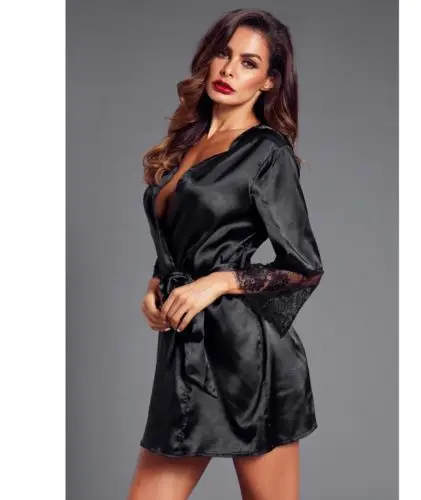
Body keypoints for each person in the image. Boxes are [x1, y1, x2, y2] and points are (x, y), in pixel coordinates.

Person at [128, 8, 325, 500]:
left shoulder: (267, 153)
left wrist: (217, 282)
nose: (229, 69)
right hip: (186, 349)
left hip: (248, 359)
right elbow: (184, 237)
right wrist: (157, 284)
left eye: (249, 63)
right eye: (224, 53)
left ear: (268, 81)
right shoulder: (188, 143)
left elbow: (304, 268)